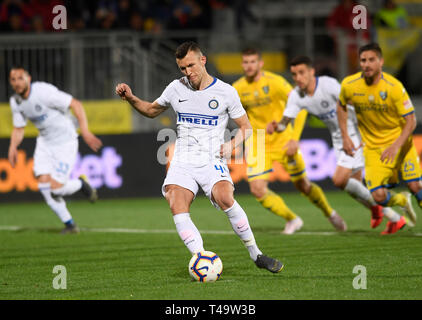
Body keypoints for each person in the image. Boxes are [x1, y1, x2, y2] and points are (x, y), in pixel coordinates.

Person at [115, 41, 283, 273]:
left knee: (225, 198)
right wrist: (132, 98)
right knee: (176, 201)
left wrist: (232, 145)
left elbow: (246, 128)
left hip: (212, 158)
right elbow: (152, 110)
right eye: (182, 68)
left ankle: (257, 255)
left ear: (202, 60)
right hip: (183, 159)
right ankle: (201, 259)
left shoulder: (226, 92)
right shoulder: (176, 88)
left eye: (191, 66)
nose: (188, 72)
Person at [268, 55, 404, 234]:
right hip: (339, 136)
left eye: (301, 73)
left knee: (340, 180)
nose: (298, 78)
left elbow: (353, 102)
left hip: (355, 131)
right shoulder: (296, 95)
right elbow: (285, 123)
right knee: (354, 186)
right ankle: (391, 216)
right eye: (294, 74)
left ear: (311, 72)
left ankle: (383, 210)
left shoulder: (328, 85)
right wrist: (276, 126)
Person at [232, 48, 346, 235]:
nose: (249, 65)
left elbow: (299, 107)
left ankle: (329, 212)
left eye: (253, 61)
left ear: (260, 63)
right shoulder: (238, 88)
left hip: (284, 140)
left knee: (303, 185)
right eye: (245, 62)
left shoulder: (275, 83)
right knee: (258, 190)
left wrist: (294, 139)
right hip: (258, 143)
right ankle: (292, 219)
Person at [337, 42, 420, 234]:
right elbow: (341, 106)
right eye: (363, 60)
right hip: (373, 149)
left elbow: (411, 121)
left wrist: (396, 146)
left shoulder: (394, 87)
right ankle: (401, 200)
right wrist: (345, 137)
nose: (366, 64)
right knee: (379, 196)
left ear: (381, 62)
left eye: (371, 60)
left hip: (401, 145)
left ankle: (411, 195)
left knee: (416, 187)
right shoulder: (349, 85)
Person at [8, 66, 102, 234]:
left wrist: (85, 131)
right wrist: (13, 146)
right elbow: (19, 127)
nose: (17, 83)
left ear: (28, 78)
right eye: (13, 79)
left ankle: (81, 185)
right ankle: (70, 225)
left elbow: (76, 104)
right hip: (44, 143)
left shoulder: (43, 92)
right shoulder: (16, 101)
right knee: (44, 186)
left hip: (65, 142)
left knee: (56, 189)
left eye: (20, 78)